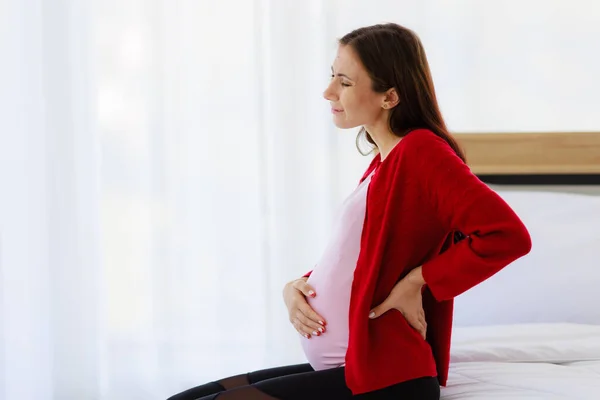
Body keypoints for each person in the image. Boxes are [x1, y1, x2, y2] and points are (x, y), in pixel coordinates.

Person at [167, 22, 531, 400]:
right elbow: (366, 257)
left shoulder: (421, 151)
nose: (328, 92)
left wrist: (416, 282)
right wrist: (297, 287)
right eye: (331, 77)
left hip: (389, 377)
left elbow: (508, 236)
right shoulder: (383, 161)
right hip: (353, 365)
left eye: (344, 81)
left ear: (389, 96)